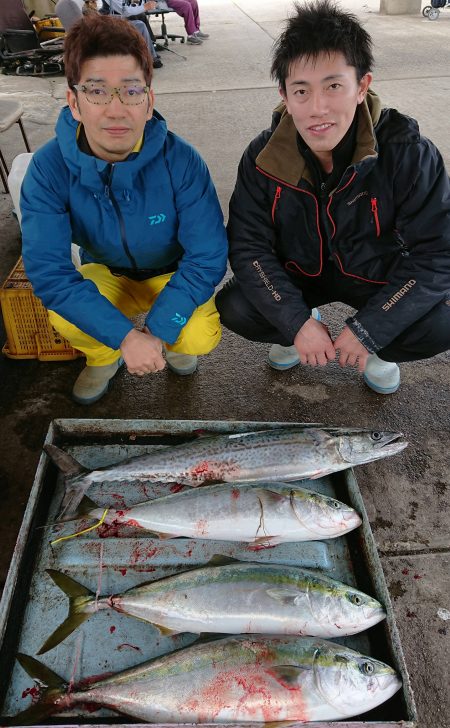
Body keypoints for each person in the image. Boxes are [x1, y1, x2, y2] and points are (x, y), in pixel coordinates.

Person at [216, 0, 450, 395]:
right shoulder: (262, 157)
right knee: (236, 306)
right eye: (301, 91)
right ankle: (305, 327)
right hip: (301, 275)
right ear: (285, 96)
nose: (317, 108)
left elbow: (438, 254)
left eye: (334, 86)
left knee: (441, 323)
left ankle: (378, 352)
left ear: (362, 86)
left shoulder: (408, 152)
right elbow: (248, 248)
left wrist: (371, 329)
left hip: (377, 279)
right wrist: (295, 322)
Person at [20, 14, 228, 405]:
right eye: (97, 91)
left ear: (149, 101)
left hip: (171, 273)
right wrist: (125, 337)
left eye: (131, 91)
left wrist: (160, 331)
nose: (116, 110)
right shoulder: (47, 170)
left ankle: (171, 344)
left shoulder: (182, 161)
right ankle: (104, 355)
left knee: (199, 334)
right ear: (74, 102)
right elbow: (49, 272)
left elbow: (208, 255)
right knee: (62, 312)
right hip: (107, 272)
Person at [101, 0, 163, 68]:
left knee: (140, 16)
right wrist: (145, 7)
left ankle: (151, 49)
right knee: (140, 25)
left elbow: (126, 7)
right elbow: (125, 11)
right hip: (109, 22)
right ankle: (150, 57)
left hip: (117, 18)